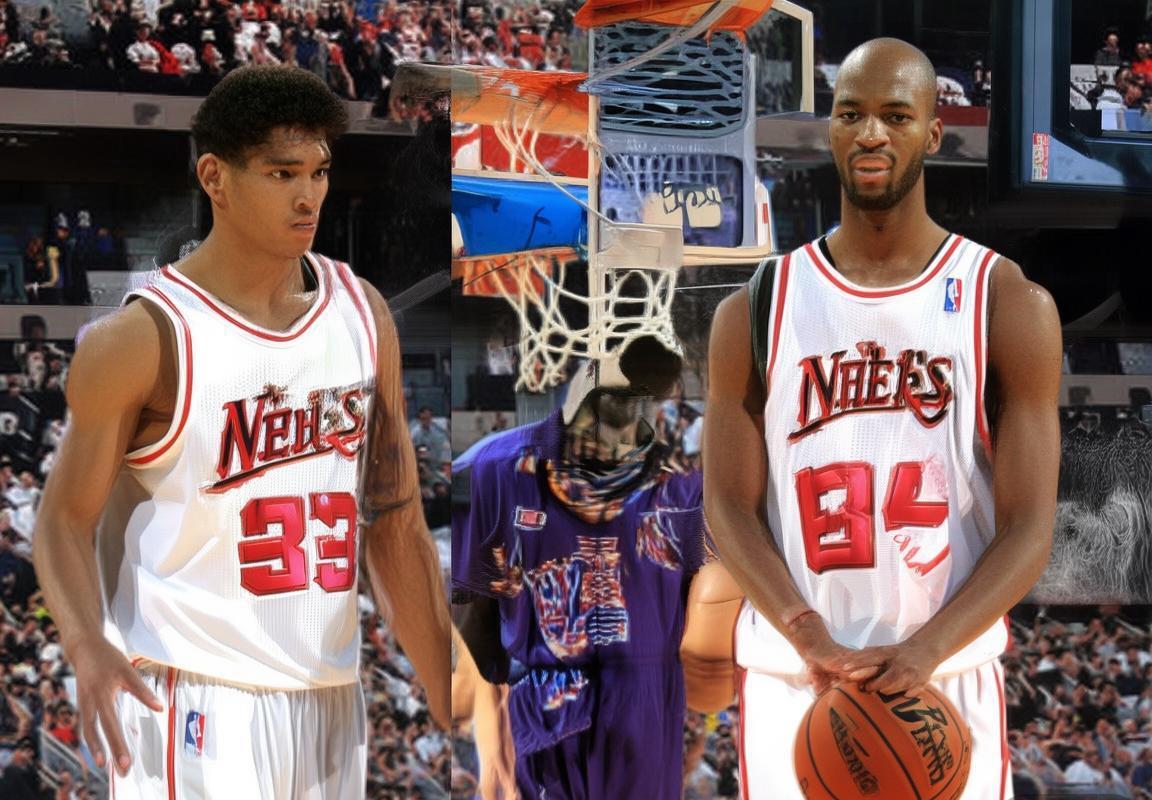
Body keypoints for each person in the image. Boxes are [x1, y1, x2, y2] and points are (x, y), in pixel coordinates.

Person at [32, 65, 449, 799]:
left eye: (319, 171)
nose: (308, 195)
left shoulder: (362, 313)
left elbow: (395, 518)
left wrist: (453, 690)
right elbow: (63, 519)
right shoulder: (143, 337)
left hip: (330, 694)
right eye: (282, 173)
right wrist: (86, 643)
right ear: (215, 177)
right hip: (194, 689)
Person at [703, 38, 1061, 799]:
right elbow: (728, 505)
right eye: (851, 115)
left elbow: (1030, 527)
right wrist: (805, 633)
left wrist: (926, 651)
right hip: (795, 679)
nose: (871, 134)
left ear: (934, 133)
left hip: (945, 676)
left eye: (896, 116)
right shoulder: (755, 308)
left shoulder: (1006, 301)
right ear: (830, 129)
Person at [452, 346, 707, 799]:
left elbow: (701, 620)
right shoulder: (496, 469)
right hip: (540, 704)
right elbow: (474, 614)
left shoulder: (685, 487)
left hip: (648, 708)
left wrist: (700, 707)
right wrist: (489, 732)